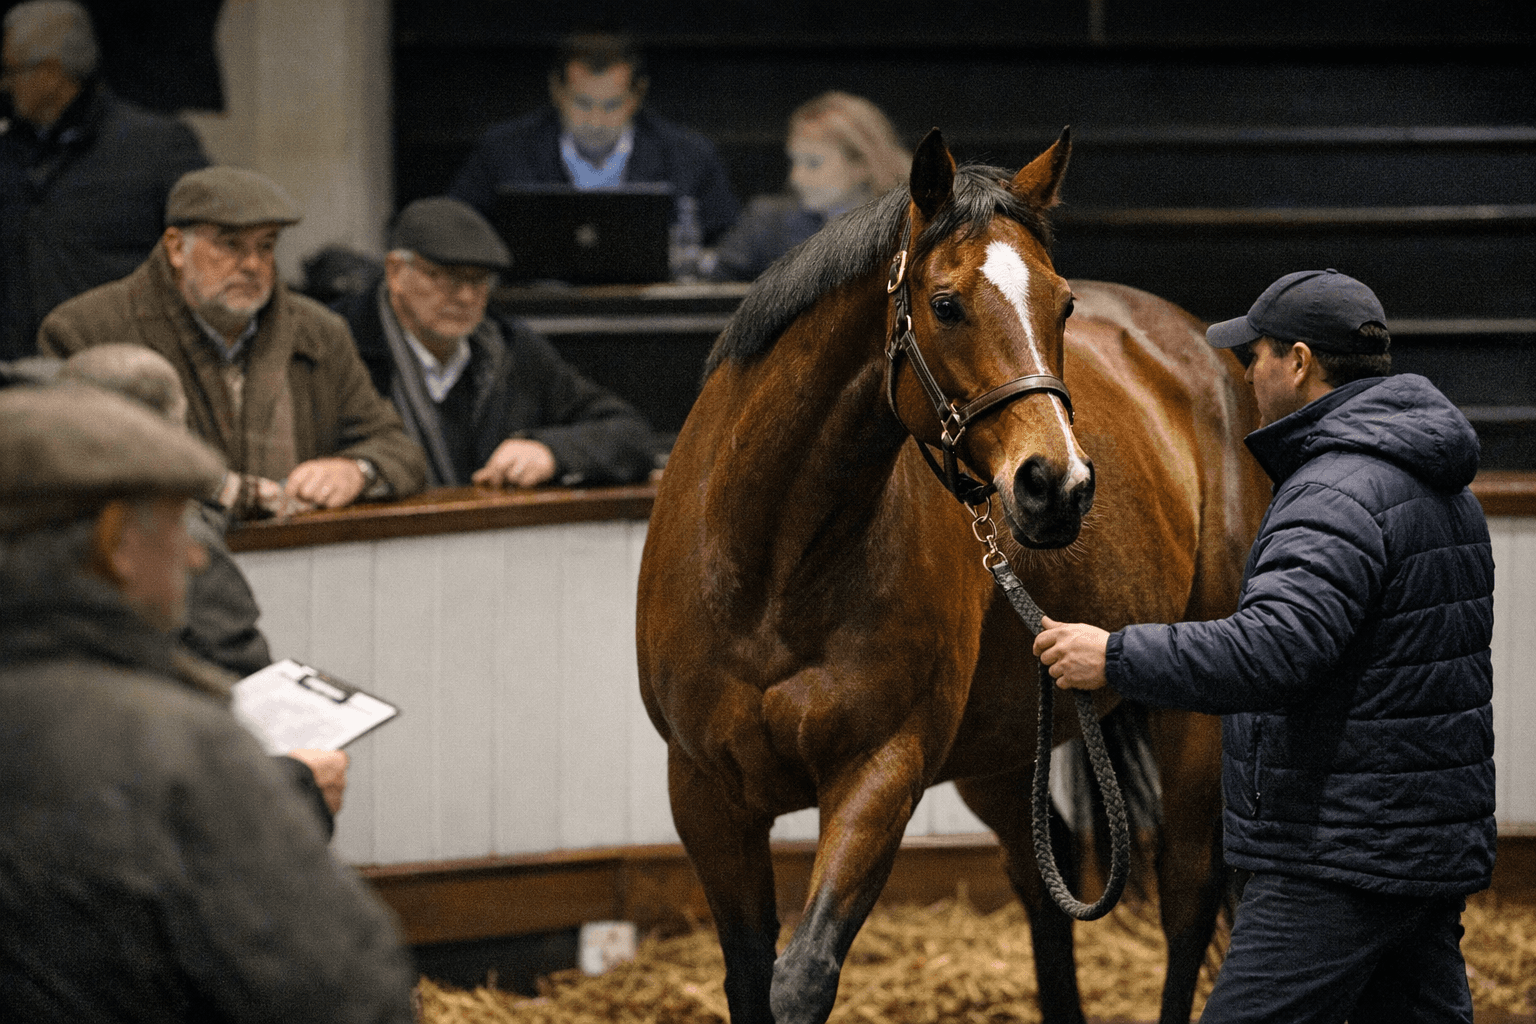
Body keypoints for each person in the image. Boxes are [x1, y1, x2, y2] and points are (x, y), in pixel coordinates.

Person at [1034, 269, 1495, 1023]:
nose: (1245, 372)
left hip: (1335, 860)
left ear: (1301, 362)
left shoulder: (1333, 493)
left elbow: (1274, 653)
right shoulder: (1438, 484)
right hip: (1425, 850)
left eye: (1257, 355)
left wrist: (1113, 656)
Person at [0, 383, 415, 1021]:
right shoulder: (171, 747)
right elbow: (348, 994)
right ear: (113, 542)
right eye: (173, 522)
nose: (196, 556)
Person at [56, 342, 349, 832]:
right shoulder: (171, 539)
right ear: (175, 429)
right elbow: (238, 686)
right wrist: (296, 782)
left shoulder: (29, 529)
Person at [37, 164, 428, 515]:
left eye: (266, 246)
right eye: (230, 245)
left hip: (299, 565)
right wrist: (230, 493)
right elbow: (74, 470)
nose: (252, 265)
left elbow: (398, 447)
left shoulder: (319, 332)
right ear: (176, 248)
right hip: (155, 571)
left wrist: (357, 470)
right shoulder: (86, 331)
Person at [334, 196, 656, 488]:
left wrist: (551, 451)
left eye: (479, 280)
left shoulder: (513, 350)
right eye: (445, 277)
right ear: (395, 272)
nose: (466, 296)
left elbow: (631, 434)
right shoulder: (340, 344)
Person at [0, 0, 208, 360]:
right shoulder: (8, 155)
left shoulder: (158, 149)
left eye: (12, 71)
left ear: (51, 72)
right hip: (17, 378)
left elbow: (206, 256)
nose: (5, 85)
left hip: (121, 374)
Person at [448, 31, 739, 244]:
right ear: (557, 92)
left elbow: (727, 244)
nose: (596, 121)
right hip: (532, 310)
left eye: (611, 105)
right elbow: (455, 231)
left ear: (636, 97)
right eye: (583, 104)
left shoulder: (690, 156)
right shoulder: (502, 151)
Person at [710, 91, 910, 282]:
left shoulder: (910, 224)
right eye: (794, 161)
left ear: (862, 165)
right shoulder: (766, 223)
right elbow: (712, 299)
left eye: (813, 163)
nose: (795, 177)